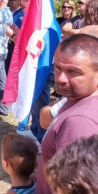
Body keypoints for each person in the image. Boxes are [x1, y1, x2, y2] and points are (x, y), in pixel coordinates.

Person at [35, 34, 98, 194]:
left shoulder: (79, 121)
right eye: (57, 68)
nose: (61, 78)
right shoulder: (77, 98)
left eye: (73, 71)